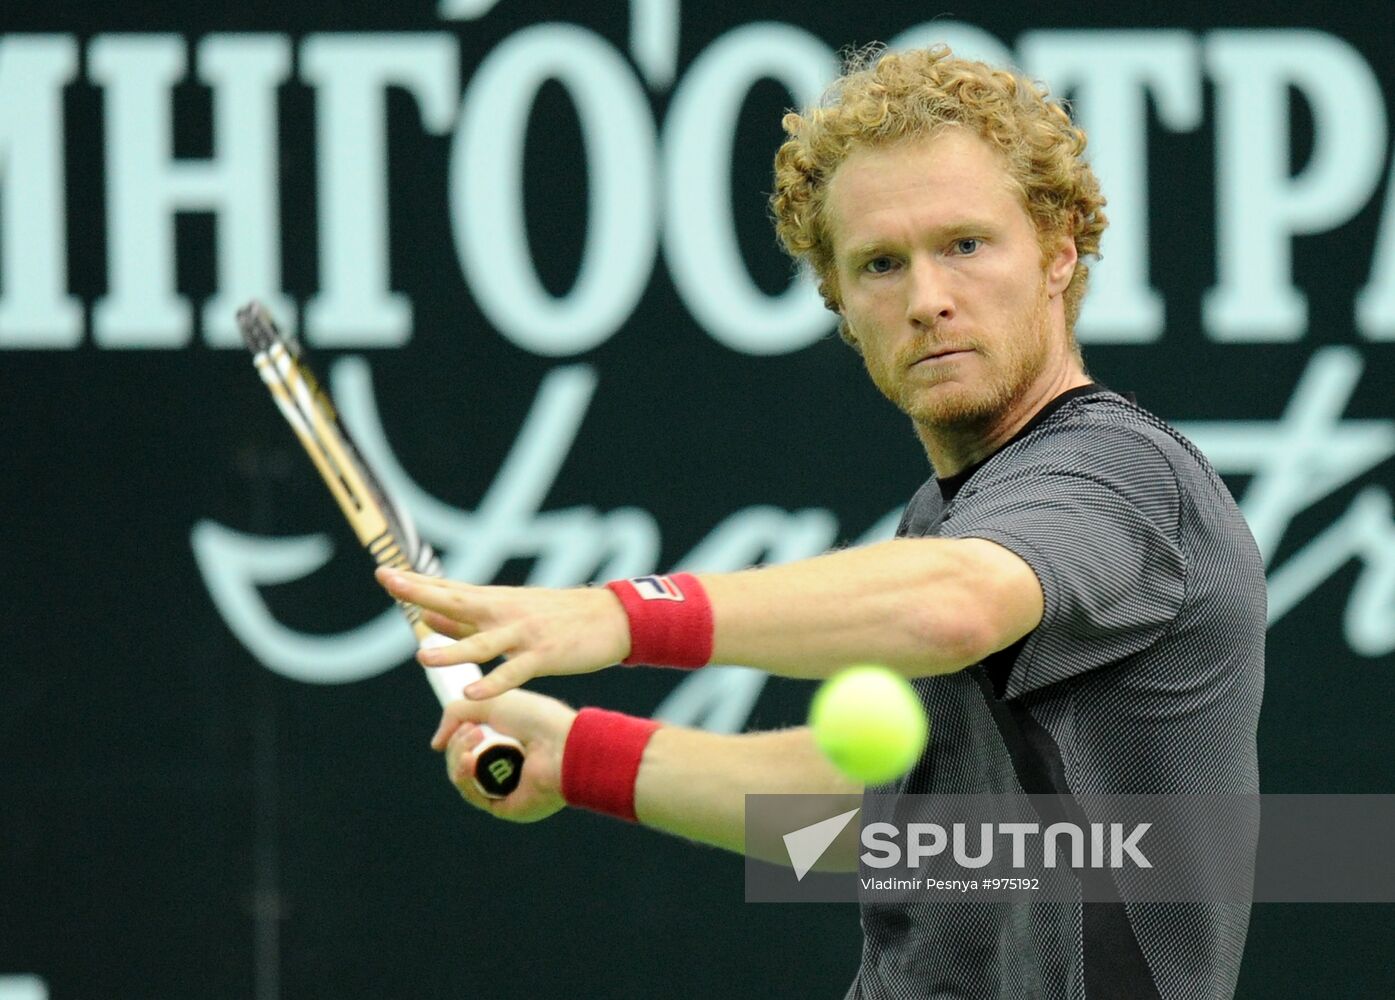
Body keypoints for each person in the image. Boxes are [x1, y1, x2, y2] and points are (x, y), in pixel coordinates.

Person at [377, 45, 1264, 999]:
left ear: (1056, 251)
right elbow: (879, 823)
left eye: (965, 244)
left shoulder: (1122, 474)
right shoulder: (945, 518)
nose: (927, 299)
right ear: (839, 300)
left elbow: (954, 607)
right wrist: (580, 754)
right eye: (880, 264)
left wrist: (618, 615)